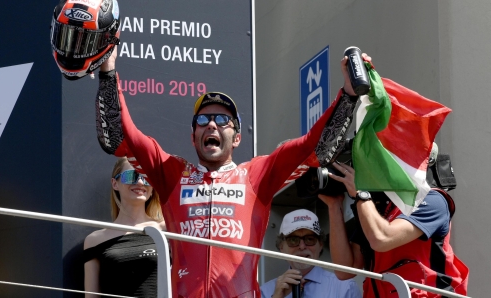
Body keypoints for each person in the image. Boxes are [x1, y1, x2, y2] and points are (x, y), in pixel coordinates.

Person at [90, 46, 355, 297]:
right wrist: (108, 70)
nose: (212, 125)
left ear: (237, 138)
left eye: (223, 120)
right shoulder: (172, 174)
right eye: (203, 120)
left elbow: (314, 146)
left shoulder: (256, 174)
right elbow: (121, 137)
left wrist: (349, 95)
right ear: (193, 137)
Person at [316, 55, 469, 297]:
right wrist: (335, 207)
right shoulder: (376, 206)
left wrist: (361, 194)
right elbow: (346, 270)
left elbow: (381, 238)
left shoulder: (433, 201)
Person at [83, 157, 165, 298]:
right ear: (115, 184)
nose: (140, 182)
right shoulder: (95, 240)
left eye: (146, 177)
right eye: (131, 176)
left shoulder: (167, 231)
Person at [260, 209, 361, 298]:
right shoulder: (265, 292)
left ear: (320, 244)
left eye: (310, 239)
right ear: (281, 246)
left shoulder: (345, 287)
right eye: (293, 240)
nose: (302, 246)